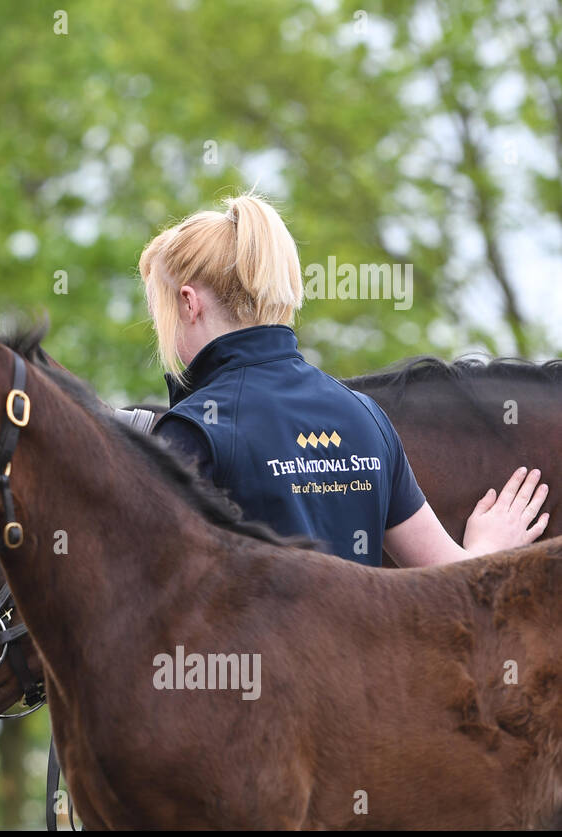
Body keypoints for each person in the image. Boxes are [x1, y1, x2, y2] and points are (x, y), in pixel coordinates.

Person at [139, 194, 549, 566]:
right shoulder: (365, 416)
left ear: (189, 303)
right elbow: (450, 574)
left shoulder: (193, 431)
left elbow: (153, 597)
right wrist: (488, 547)